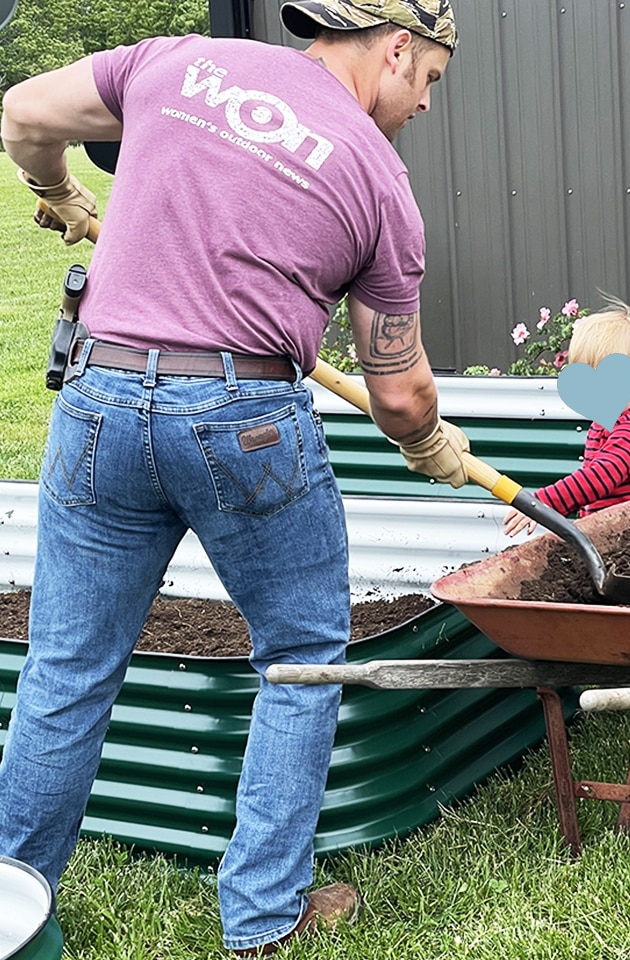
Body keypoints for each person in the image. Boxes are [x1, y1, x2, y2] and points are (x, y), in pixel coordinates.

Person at [0, 0, 468, 954]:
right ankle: (260, 915)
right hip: (241, 420)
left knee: (67, 668)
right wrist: (431, 448)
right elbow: (404, 399)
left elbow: (21, 115)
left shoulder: (178, 64)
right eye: (429, 81)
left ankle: (13, 901)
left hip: (100, 400)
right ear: (398, 47)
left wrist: (54, 187)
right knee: (301, 655)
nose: (423, 104)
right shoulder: (380, 183)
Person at [503, 295, 630, 537]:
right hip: (615, 536)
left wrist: (541, 502)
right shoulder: (600, 427)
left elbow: (599, 477)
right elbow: (594, 496)